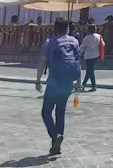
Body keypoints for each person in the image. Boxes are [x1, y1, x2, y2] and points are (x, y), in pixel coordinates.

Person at [36, 18, 82, 156]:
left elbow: (42, 62)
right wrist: (79, 82)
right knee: (60, 112)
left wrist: (38, 81)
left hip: (54, 83)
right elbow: (78, 62)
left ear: (55, 28)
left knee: (46, 112)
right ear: (68, 28)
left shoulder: (50, 42)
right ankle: (59, 138)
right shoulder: (74, 41)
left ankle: (55, 136)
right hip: (68, 83)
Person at [80, 24, 104, 92]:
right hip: (96, 55)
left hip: (88, 56)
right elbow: (103, 44)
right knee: (89, 71)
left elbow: (83, 47)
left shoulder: (86, 38)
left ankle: (93, 86)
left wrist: (79, 52)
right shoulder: (98, 36)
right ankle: (83, 85)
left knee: (90, 71)